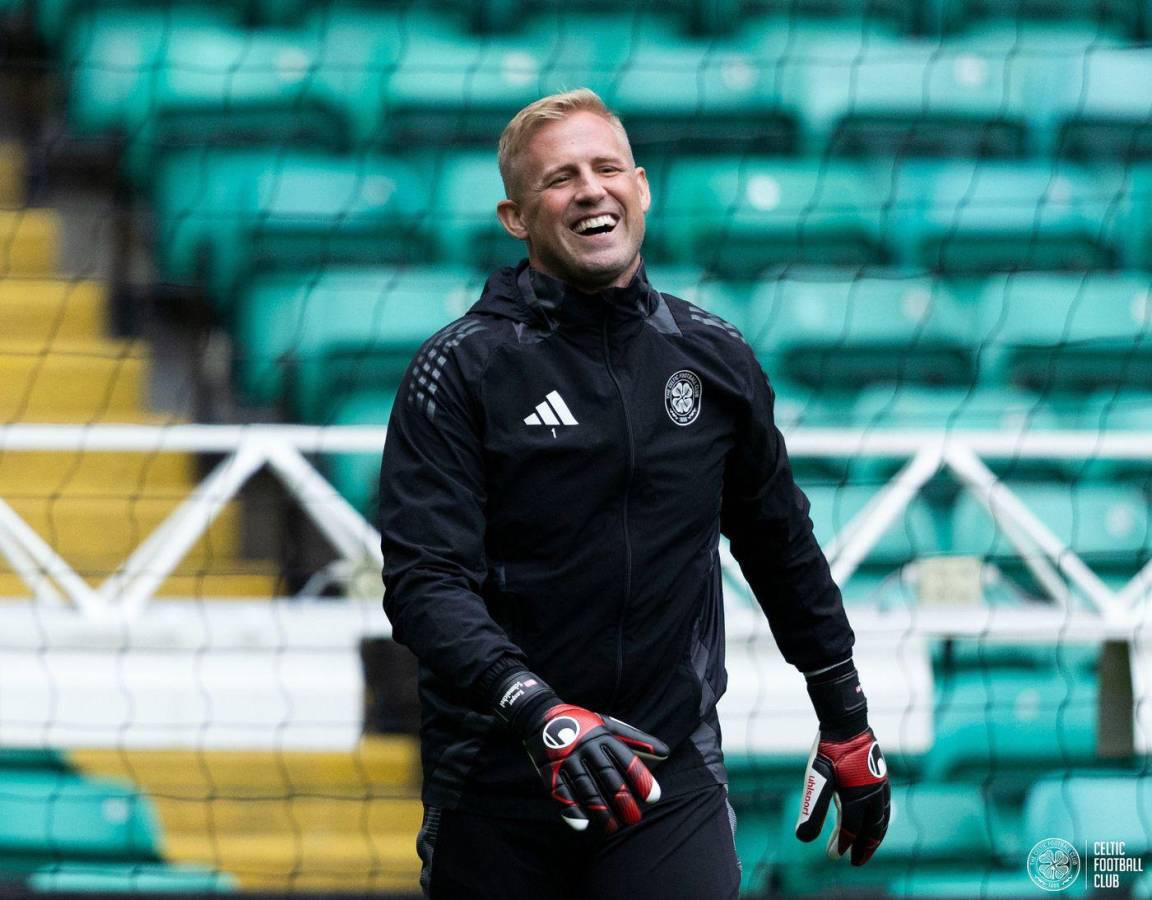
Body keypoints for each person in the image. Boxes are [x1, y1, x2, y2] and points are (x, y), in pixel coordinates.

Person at [378, 88, 890, 900]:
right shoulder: (460, 369)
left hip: (664, 777)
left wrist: (846, 717)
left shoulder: (715, 356)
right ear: (516, 217)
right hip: (499, 781)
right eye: (560, 178)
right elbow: (424, 584)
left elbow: (779, 545)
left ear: (641, 187)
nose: (589, 189)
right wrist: (537, 710)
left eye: (606, 167)